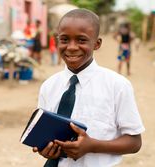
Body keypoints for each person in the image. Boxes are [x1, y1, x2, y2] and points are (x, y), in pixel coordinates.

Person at [32, 9, 145, 167]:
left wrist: (92, 146)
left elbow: (134, 142)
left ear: (96, 44)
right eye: (64, 39)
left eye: (81, 40)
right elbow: (43, 136)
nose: (71, 47)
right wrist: (45, 149)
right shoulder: (49, 86)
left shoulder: (117, 85)